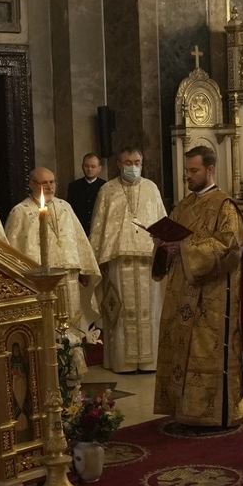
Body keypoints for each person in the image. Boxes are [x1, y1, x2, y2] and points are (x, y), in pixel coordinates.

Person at [152, 145, 243, 428]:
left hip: (211, 297)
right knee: (182, 350)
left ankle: (213, 413)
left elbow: (230, 247)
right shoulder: (182, 206)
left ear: (209, 170)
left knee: (203, 351)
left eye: (193, 171)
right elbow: (171, 242)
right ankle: (184, 410)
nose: (188, 177)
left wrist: (183, 246)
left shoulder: (224, 205)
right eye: (186, 171)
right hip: (180, 292)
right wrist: (164, 247)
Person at [6, 167, 101, 368]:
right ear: (31, 184)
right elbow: (12, 252)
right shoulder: (20, 212)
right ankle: (46, 373)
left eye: (52, 182)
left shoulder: (65, 206)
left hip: (69, 278)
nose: (49, 186)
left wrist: (85, 269)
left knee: (72, 323)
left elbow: (79, 239)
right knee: (46, 327)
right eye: (43, 182)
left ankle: (73, 375)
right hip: (39, 283)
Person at [89, 147, 166, 374]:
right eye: (128, 162)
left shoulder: (151, 188)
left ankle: (149, 361)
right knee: (119, 310)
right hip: (118, 261)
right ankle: (122, 362)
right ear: (118, 164)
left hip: (148, 261)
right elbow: (99, 226)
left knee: (149, 310)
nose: (133, 166)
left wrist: (165, 250)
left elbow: (161, 219)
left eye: (137, 161)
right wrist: (95, 261)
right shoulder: (107, 190)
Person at [65, 152, 106, 234]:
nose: (89, 169)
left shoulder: (105, 186)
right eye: (86, 166)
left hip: (99, 229)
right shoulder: (74, 186)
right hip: (79, 229)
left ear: (99, 168)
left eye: (93, 166)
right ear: (82, 166)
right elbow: (70, 209)